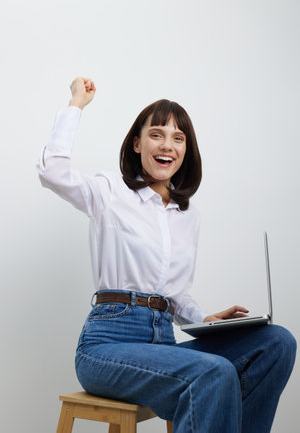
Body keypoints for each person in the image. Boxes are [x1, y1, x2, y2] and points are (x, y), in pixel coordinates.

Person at [37, 77, 296, 433]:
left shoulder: (187, 216)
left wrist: (205, 320)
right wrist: (76, 104)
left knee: (277, 342)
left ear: (186, 150)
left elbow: (175, 296)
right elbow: (52, 172)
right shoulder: (110, 191)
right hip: (107, 345)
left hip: (164, 344)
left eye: (178, 138)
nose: (167, 145)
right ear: (137, 143)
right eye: (157, 134)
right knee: (214, 372)